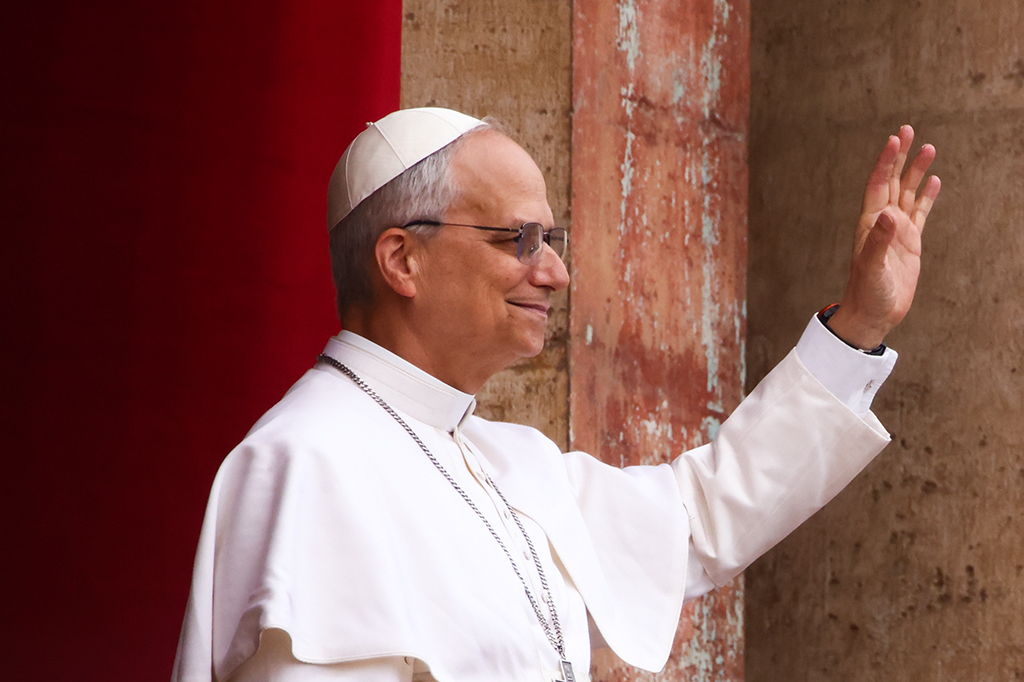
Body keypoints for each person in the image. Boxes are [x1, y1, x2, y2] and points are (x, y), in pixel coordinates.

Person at [172, 107, 941, 682]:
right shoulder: (305, 464)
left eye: (553, 240)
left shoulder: (508, 462)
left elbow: (698, 517)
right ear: (402, 259)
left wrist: (860, 325)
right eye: (521, 240)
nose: (556, 273)